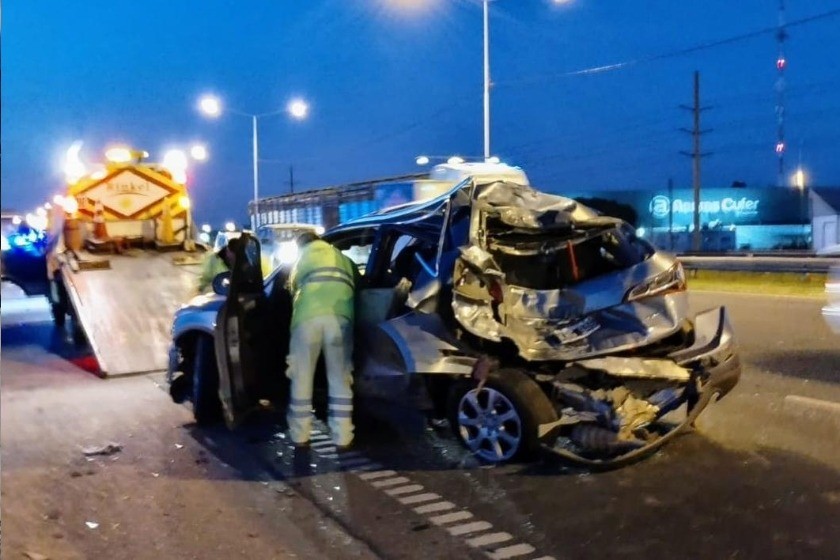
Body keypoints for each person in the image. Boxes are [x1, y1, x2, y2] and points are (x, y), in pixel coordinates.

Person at [286, 231, 358, 449]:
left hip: (307, 319)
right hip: (341, 318)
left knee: (302, 377)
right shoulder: (343, 258)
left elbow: (292, 288)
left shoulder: (302, 257)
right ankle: (343, 437)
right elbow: (358, 282)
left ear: (301, 245)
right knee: (340, 378)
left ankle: (300, 436)